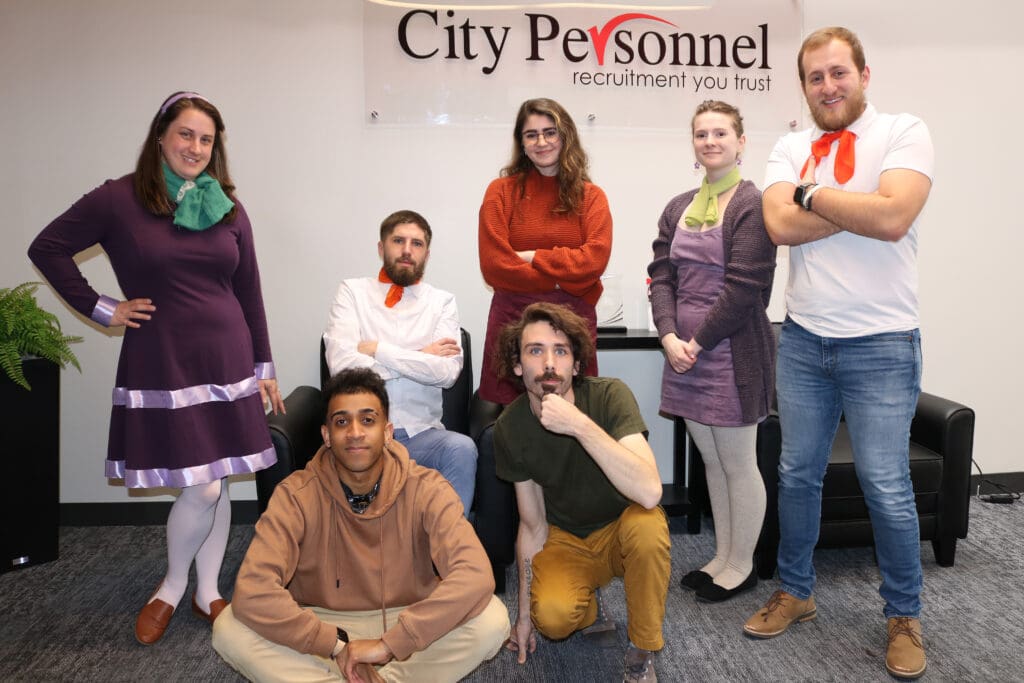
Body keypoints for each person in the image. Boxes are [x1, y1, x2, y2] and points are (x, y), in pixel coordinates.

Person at [27, 91, 285, 644]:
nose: (195, 147)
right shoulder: (119, 199)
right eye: (186, 134)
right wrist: (105, 307)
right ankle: (172, 586)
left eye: (206, 139)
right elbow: (47, 247)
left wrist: (265, 364)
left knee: (214, 478)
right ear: (162, 136)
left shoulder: (226, 206)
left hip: (228, 356)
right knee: (206, 487)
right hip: (163, 356)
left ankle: (206, 591)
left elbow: (249, 291)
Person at [741, 27, 934, 681]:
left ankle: (903, 615)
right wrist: (864, 203)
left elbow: (894, 219)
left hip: (882, 342)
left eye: (838, 72)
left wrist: (811, 193)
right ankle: (797, 590)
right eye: (815, 77)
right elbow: (776, 224)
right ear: (804, 87)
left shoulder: (905, 131)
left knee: (886, 484)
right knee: (797, 474)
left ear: (863, 73)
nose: (828, 86)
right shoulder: (790, 144)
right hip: (802, 340)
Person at [212, 368, 510, 683]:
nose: (355, 432)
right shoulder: (295, 495)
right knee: (230, 628)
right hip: (323, 624)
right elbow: (253, 589)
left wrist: (389, 644)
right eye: (342, 422)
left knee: (491, 619)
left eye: (368, 420)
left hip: (406, 618)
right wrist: (334, 644)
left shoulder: (427, 488)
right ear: (326, 435)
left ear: (388, 431)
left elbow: (475, 575)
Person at [493, 302, 670, 683]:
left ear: (576, 365)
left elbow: (650, 491)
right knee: (553, 619)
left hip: (623, 528)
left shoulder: (609, 396)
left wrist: (579, 426)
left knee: (648, 528)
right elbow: (532, 525)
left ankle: (642, 648)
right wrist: (522, 617)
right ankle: (590, 606)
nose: (549, 364)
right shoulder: (511, 426)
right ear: (519, 366)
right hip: (566, 539)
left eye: (561, 351)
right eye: (535, 351)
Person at [647, 100, 776, 603]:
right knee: (712, 461)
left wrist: (695, 342)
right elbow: (662, 275)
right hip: (683, 352)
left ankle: (742, 566)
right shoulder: (678, 206)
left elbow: (745, 288)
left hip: (732, 351)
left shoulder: (753, 205)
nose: (710, 141)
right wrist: (667, 336)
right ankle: (722, 556)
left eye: (720, 133)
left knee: (740, 463)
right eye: (701, 134)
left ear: (741, 142)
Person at [323, 209, 477, 514]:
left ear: (427, 254)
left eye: (417, 244)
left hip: (424, 434)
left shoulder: (442, 302)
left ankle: (449, 553)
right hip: (365, 432)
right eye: (398, 241)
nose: (407, 250)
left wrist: (378, 349)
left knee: (462, 449)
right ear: (381, 248)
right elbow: (343, 366)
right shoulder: (352, 292)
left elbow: (446, 373)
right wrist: (422, 356)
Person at [478, 97, 612, 405]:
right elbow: (494, 266)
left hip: (572, 327)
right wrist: (563, 279)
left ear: (565, 136)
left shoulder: (591, 197)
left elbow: (594, 261)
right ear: (521, 143)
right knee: (512, 430)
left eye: (550, 132)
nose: (541, 141)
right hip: (512, 326)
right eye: (531, 134)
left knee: (575, 425)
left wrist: (533, 257)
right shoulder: (500, 192)